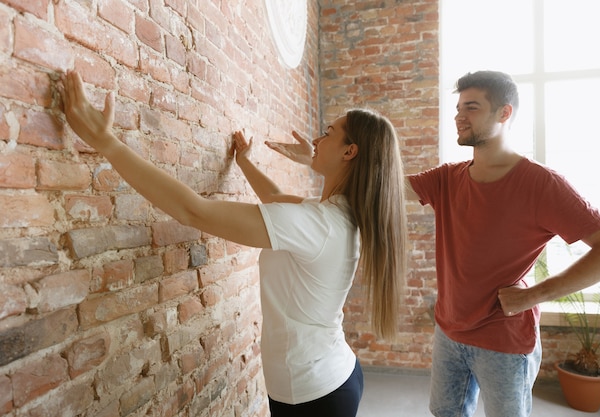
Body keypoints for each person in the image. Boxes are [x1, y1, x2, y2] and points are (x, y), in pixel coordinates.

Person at [266, 70, 600, 417]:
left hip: (504, 341)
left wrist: (534, 296)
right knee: (445, 413)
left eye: (471, 107)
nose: (459, 116)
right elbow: (380, 185)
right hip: (449, 333)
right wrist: (321, 162)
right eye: (458, 108)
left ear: (505, 113)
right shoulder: (448, 178)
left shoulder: (542, 184)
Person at [59, 70, 407, 417]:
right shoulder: (337, 215)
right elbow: (273, 197)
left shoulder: (320, 223)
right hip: (332, 376)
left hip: (314, 393)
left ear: (350, 152)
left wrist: (107, 142)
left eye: (327, 134)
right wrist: (244, 161)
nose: (317, 138)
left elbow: (192, 211)